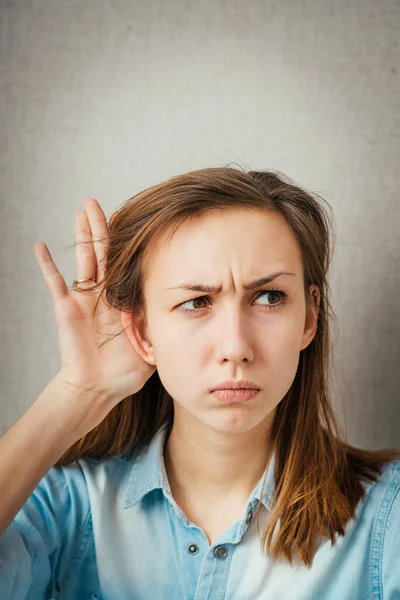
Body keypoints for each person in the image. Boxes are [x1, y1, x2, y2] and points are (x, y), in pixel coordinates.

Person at [0, 166, 399, 600]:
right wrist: (78, 393)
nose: (235, 347)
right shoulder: (68, 509)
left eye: (269, 297)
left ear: (309, 316)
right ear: (142, 332)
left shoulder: (388, 518)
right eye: (196, 302)